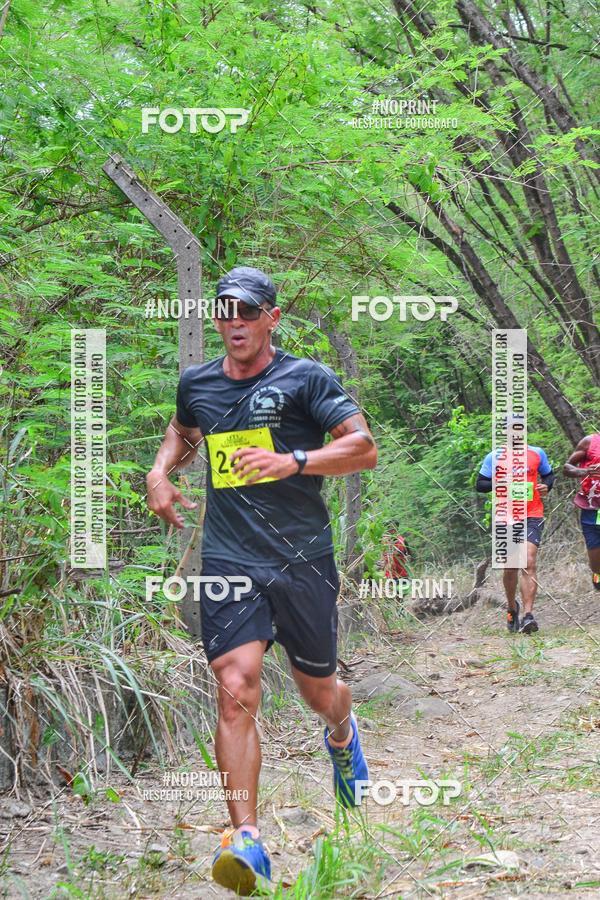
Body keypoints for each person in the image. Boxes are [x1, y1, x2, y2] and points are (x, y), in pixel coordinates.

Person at [146, 266, 377, 896]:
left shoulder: (306, 378)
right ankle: (246, 839)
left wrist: (293, 460)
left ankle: (341, 731)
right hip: (228, 559)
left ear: (271, 316)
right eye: (224, 311)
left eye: (247, 310)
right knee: (235, 685)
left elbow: (363, 448)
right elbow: (184, 431)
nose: (234, 322)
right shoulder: (197, 383)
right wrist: (162, 471)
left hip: (302, 560)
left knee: (318, 689)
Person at [476, 444, 555, 634]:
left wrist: (547, 486)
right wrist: (502, 482)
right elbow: (480, 484)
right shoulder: (494, 456)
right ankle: (512, 608)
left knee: (528, 561)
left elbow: (549, 475)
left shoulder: (537, 452)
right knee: (510, 567)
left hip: (532, 514)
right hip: (506, 516)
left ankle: (528, 616)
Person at [563, 433, 600, 591]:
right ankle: (597, 574)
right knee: (595, 551)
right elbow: (567, 468)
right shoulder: (590, 442)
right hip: (591, 506)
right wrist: (584, 471)